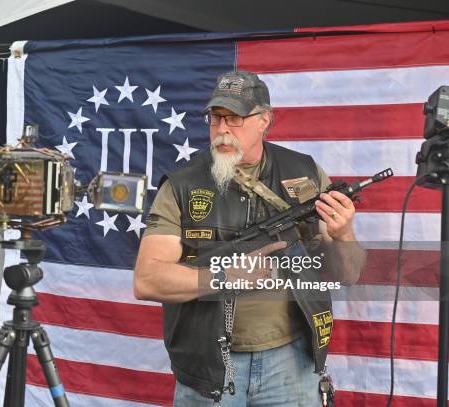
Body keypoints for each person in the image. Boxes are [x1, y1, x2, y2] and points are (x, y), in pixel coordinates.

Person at [134, 70, 366, 406]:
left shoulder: (305, 172)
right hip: (212, 367)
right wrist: (225, 275)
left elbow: (349, 274)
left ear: (265, 120)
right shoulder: (182, 185)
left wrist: (343, 233)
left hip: (292, 361)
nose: (222, 130)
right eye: (215, 118)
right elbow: (147, 280)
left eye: (235, 118)